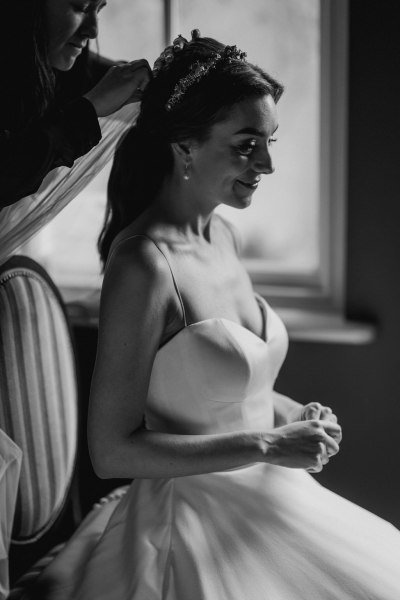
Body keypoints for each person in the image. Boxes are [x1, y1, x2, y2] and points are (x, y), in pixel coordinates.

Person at [29, 30, 400, 600]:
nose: (268, 162)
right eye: (247, 143)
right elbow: (111, 451)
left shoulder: (223, 234)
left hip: (269, 496)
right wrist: (272, 445)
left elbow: (233, 393)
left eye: (269, 140)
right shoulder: (143, 267)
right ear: (185, 147)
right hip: (192, 522)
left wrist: (298, 415)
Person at [0, 0, 150, 208]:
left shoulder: (60, 62)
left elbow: (101, 73)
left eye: (99, 10)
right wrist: (89, 108)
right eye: (82, 7)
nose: (93, 31)